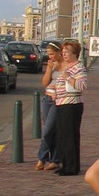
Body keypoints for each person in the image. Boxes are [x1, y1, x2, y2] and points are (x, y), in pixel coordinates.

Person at [52, 39, 87, 176]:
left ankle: (72, 167)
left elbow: (82, 86)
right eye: (63, 52)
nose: (64, 54)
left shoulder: (79, 67)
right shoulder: (67, 66)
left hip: (72, 105)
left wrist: (68, 78)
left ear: (75, 54)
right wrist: (54, 92)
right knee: (62, 135)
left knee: (70, 135)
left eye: (67, 52)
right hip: (61, 103)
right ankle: (64, 164)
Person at [35, 41, 63, 171]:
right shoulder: (51, 65)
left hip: (58, 100)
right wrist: (49, 69)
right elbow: (45, 83)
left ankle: (42, 158)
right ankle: (55, 160)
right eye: (48, 54)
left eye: (52, 54)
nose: (50, 57)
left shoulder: (66, 65)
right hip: (47, 99)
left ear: (59, 52)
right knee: (50, 130)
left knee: (47, 130)